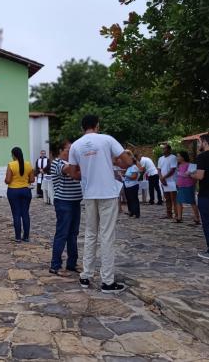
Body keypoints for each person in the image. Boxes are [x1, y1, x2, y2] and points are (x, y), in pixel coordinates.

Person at [68, 114, 132, 293]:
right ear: (97, 125)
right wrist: (112, 163)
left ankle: (86, 275)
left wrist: (89, 172)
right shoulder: (107, 140)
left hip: (89, 193)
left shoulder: (76, 145)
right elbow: (127, 162)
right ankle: (107, 281)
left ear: (83, 128)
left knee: (90, 234)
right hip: (107, 193)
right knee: (107, 235)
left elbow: (73, 173)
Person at [49, 140, 83, 276]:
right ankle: (55, 265)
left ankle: (72, 263)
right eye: (69, 150)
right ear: (60, 151)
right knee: (62, 233)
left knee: (73, 234)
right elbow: (68, 170)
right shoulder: (58, 163)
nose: (72, 152)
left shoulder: (73, 163)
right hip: (64, 202)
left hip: (75, 201)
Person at [5, 147, 35, 243]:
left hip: (13, 191)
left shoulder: (11, 165)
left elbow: (8, 180)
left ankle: (18, 237)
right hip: (26, 190)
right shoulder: (28, 165)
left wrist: (6, 180)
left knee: (16, 214)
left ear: (13, 155)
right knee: (25, 213)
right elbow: (32, 180)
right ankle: (26, 237)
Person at [176, 151, 199, 224]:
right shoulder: (179, 165)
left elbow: (194, 176)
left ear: (183, 157)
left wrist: (193, 184)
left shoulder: (190, 165)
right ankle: (179, 217)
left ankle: (197, 218)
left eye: (178, 156)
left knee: (192, 202)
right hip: (180, 186)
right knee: (179, 201)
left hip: (188, 186)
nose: (177, 158)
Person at [158, 144, 179, 219]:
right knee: (167, 198)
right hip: (164, 181)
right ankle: (169, 214)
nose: (163, 150)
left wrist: (163, 177)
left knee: (174, 199)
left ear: (169, 150)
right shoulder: (160, 158)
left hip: (172, 181)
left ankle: (177, 214)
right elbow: (159, 169)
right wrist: (161, 178)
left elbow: (172, 170)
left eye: (165, 149)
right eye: (163, 149)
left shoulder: (173, 158)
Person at [123, 151, 140, 218]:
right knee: (129, 199)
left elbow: (134, 177)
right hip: (127, 185)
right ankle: (131, 212)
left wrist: (125, 175)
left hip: (133, 185)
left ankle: (136, 213)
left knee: (134, 199)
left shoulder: (134, 167)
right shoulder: (129, 167)